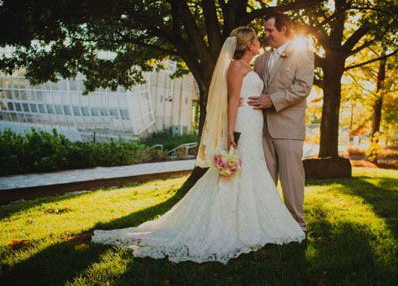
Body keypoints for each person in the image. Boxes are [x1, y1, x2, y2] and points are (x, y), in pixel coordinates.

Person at [91, 26, 305, 264]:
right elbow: (232, 99)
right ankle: (229, 221)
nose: (260, 41)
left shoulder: (251, 67)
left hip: (255, 122)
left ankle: (255, 218)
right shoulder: (236, 67)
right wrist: (231, 132)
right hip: (243, 120)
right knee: (238, 170)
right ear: (247, 45)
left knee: (252, 168)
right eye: (256, 39)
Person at [249, 12, 314, 231]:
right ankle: (270, 224)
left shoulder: (302, 54)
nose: (266, 34)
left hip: (288, 127)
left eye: (270, 30)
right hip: (262, 128)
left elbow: (303, 87)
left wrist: (272, 100)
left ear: (284, 29)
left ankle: (298, 224)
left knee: (291, 179)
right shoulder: (260, 60)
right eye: (265, 31)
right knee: (265, 180)